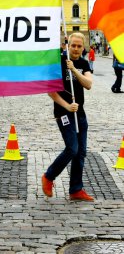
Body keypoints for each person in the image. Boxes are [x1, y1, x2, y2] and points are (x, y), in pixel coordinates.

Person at [42, 32, 94, 201]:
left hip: (80, 114)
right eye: (73, 45)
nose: (76, 48)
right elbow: (51, 91)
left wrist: (74, 70)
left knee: (81, 153)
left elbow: (88, 84)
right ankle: (49, 176)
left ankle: (75, 190)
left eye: (79, 46)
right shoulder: (58, 63)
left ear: (83, 47)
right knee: (72, 148)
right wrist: (66, 106)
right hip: (64, 113)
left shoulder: (84, 63)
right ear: (67, 45)